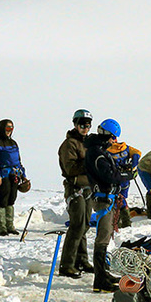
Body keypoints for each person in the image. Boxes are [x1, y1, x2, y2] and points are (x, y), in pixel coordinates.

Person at [87, 119, 141, 292]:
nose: (114, 141)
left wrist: (123, 172)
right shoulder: (97, 153)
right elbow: (109, 175)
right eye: (113, 138)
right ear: (107, 136)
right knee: (102, 238)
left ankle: (103, 274)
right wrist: (127, 175)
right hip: (103, 199)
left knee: (106, 236)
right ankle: (100, 280)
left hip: (107, 198)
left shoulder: (100, 151)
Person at [57, 109, 95, 278]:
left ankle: (82, 259)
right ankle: (67, 264)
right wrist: (89, 163)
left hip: (88, 188)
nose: (85, 129)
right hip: (75, 188)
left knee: (85, 224)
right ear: (75, 125)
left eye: (88, 125)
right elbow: (70, 168)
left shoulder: (88, 143)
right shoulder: (69, 144)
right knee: (77, 225)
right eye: (82, 125)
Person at [0, 118, 26, 235]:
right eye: (7, 128)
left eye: (11, 128)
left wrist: (23, 175)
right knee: (2, 199)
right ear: (1, 128)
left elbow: (18, 161)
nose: (9, 130)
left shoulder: (13, 143)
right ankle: (1, 228)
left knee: (11, 199)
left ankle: (10, 226)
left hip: (14, 174)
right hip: (2, 175)